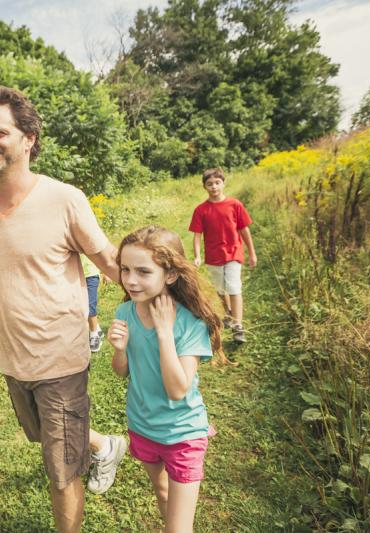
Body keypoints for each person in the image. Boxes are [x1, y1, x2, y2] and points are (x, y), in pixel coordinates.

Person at [0, 86, 126, 532]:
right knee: (43, 436)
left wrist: (157, 304)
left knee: (61, 472)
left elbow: (108, 260)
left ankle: (85, 462)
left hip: (60, 356)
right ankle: (103, 445)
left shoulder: (63, 199)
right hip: (13, 359)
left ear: (29, 138)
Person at [107, 226, 222, 532]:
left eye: (143, 271)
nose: (131, 280)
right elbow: (123, 370)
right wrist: (119, 351)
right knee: (162, 492)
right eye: (125, 269)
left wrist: (164, 331)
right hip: (142, 426)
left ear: (170, 275)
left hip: (183, 434)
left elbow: (177, 389)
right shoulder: (124, 310)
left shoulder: (188, 323)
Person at [189, 168, 257, 343]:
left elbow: (244, 230)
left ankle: (238, 326)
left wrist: (252, 252)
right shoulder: (201, 210)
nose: (214, 187)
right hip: (213, 256)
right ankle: (228, 312)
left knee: (234, 287)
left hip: (234, 252)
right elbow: (197, 235)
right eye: (209, 184)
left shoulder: (235, 205)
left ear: (223, 183)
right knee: (220, 288)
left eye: (217, 183)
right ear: (204, 187)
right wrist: (197, 256)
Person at [81, 254, 103, 352]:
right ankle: (96, 328)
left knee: (90, 305)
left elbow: (100, 254)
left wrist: (105, 273)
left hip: (91, 275)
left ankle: (94, 335)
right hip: (75, 275)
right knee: (81, 306)